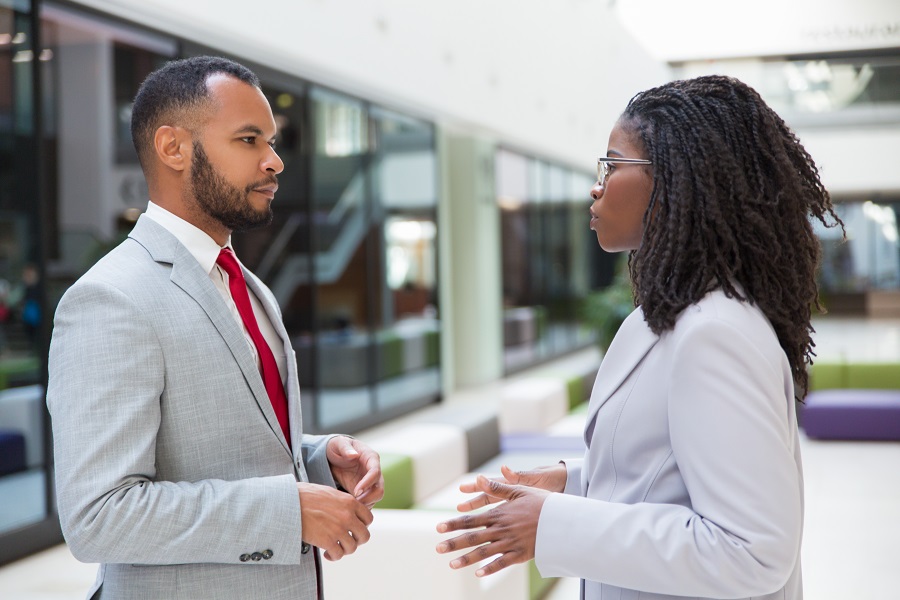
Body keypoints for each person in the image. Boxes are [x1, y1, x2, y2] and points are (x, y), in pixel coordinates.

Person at [435, 75, 844, 599]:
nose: (596, 186)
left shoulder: (714, 333)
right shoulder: (667, 317)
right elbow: (666, 476)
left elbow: (751, 550)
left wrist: (554, 523)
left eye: (611, 165)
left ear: (674, 178)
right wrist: (574, 482)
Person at [47, 56, 383, 600]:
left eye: (272, 142)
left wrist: (318, 460)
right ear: (173, 148)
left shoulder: (247, 284)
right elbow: (99, 515)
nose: (275, 161)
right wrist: (287, 511)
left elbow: (218, 447)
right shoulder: (109, 298)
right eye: (249, 140)